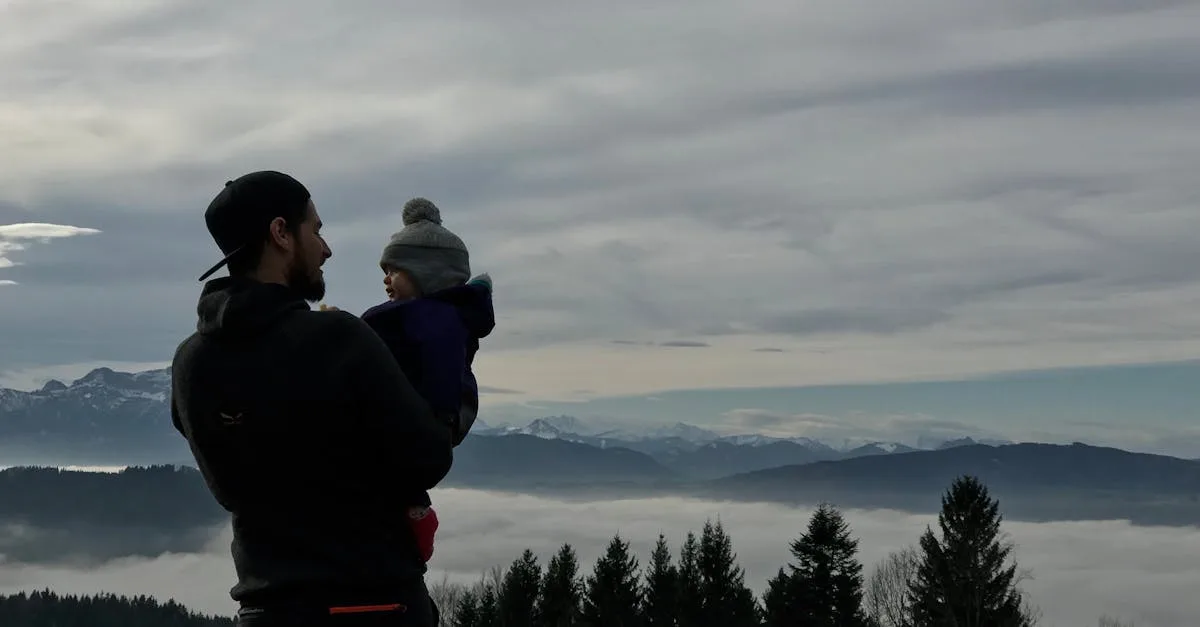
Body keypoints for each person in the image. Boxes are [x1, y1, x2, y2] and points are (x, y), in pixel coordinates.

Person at [170, 171, 454, 627]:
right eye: (316, 230)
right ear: (281, 233)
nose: (326, 248)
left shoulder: (190, 364)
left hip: (265, 610)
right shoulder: (338, 339)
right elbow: (430, 457)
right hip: (373, 604)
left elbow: (232, 488)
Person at [357, 197, 495, 565]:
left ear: (425, 273)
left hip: (415, 427)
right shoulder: (443, 319)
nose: (386, 279)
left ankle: (414, 518)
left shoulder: (429, 321)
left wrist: (342, 332)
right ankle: (416, 516)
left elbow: (434, 388)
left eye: (394, 270)